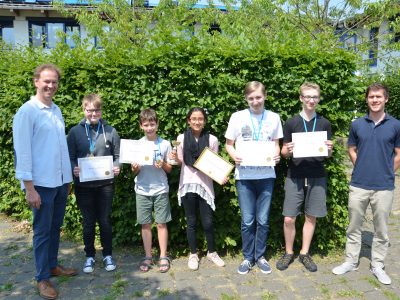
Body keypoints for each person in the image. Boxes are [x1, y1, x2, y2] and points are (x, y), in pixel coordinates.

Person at [13, 64, 77, 300]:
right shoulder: (27, 112)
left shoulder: (56, 109)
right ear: (36, 82)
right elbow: (23, 152)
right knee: (41, 232)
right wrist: (29, 188)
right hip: (40, 184)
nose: (51, 85)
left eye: (54, 82)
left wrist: (66, 180)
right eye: (46, 81)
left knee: (54, 228)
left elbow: (60, 148)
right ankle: (42, 278)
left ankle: (52, 265)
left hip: (59, 182)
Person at [332, 83, 400, 285]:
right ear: (367, 99)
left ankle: (377, 264)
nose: (375, 100)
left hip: (384, 186)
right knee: (354, 226)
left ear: (386, 99)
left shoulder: (396, 125)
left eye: (379, 96)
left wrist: (388, 171)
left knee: (381, 229)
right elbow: (351, 148)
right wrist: (360, 165)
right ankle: (351, 261)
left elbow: (399, 154)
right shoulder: (357, 124)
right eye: (371, 97)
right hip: (359, 183)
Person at [225, 81, 282, 275]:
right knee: (248, 220)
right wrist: (234, 156)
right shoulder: (237, 117)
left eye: (258, 97)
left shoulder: (274, 118)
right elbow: (229, 144)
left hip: (266, 175)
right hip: (245, 176)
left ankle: (260, 257)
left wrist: (277, 154)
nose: (255, 101)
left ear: (264, 96)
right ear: (246, 99)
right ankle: (248, 258)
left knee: (263, 220)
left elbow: (276, 144)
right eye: (251, 98)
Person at [276, 82, 333, 273]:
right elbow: (283, 153)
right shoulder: (291, 122)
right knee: (289, 218)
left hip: (317, 174)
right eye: (307, 96)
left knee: (311, 216)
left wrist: (330, 150)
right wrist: (287, 150)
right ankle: (289, 252)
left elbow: (327, 154)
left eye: (314, 97)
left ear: (318, 99)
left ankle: (304, 253)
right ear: (301, 98)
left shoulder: (324, 123)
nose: (311, 100)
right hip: (295, 175)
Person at [67, 94, 120, 274]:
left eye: (96, 109)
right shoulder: (74, 132)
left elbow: (119, 157)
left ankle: (107, 255)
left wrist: (117, 167)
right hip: (83, 186)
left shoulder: (111, 131)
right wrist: (74, 168)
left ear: (101, 110)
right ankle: (89, 256)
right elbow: (70, 157)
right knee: (88, 222)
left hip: (105, 185)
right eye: (90, 110)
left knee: (105, 221)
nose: (93, 113)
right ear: (84, 110)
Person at [171, 107, 225, 271]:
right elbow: (180, 163)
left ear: (205, 121)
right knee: (191, 221)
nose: (197, 121)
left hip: (205, 185)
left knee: (208, 222)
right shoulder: (181, 138)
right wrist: (175, 159)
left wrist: (221, 176)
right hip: (187, 183)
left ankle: (212, 252)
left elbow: (214, 164)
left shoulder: (212, 140)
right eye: (193, 118)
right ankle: (193, 254)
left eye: (200, 118)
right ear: (188, 120)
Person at [131, 109, 172, 273]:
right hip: (142, 190)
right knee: (145, 224)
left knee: (162, 223)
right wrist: (135, 168)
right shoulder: (137, 145)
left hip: (161, 189)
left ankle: (163, 255)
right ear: (141, 126)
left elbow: (169, 169)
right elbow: (133, 172)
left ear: (157, 124)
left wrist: (163, 164)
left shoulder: (165, 144)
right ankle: (148, 256)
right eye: (146, 125)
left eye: (152, 124)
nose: (149, 128)